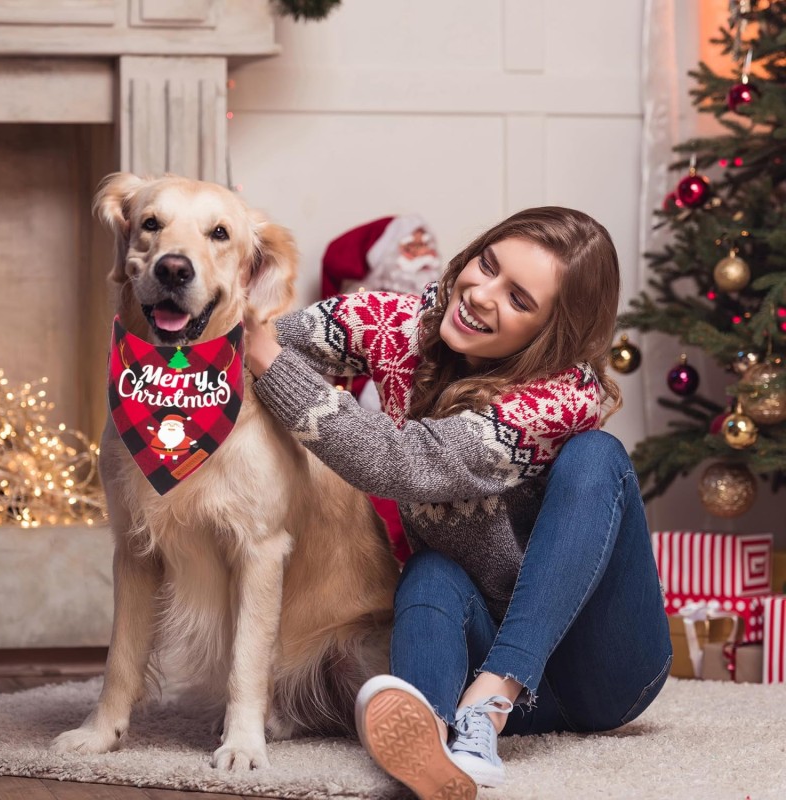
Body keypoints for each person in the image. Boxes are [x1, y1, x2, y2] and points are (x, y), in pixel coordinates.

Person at [244, 207, 672, 800]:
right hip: (483, 644)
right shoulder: (400, 322)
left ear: (552, 332)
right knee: (429, 570)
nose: (481, 295)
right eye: (487, 265)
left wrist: (270, 363)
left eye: (519, 299)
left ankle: (491, 701)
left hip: (602, 667)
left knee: (596, 456)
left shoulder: (564, 396)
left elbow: (403, 462)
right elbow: (259, 339)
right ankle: (434, 736)